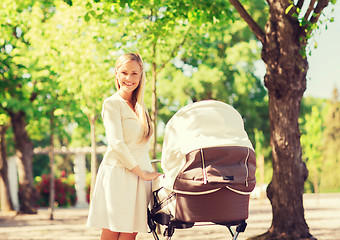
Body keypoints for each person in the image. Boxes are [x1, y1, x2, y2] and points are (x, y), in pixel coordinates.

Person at [87, 53, 162, 240]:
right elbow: (117, 143)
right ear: (116, 74)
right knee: (113, 230)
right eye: (124, 72)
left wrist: (147, 173)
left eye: (134, 73)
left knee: (131, 232)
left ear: (141, 75)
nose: (129, 78)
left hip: (141, 176)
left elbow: (142, 144)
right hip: (119, 174)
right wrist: (142, 173)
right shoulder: (112, 104)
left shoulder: (140, 106)